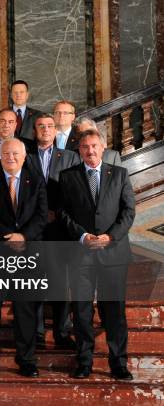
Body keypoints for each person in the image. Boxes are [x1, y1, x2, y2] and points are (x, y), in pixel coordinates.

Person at [58, 129, 135, 381]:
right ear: (78, 150)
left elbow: (128, 212)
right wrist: (83, 236)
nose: (90, 151)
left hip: (112, 254)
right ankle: (84, 361)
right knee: (81, 311)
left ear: (103, 147)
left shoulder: (120, 174)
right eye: (84, 147)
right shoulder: (67, 177)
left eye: (94, 146)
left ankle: (118, 363)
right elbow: (63, 214)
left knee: (114, 311)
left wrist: (110, 236)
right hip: (81, 254)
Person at [0, 138, 48, 378]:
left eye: (16, 154)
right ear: (0, 156)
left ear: (24, 156)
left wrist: (22, 236)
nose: (11, 158)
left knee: (25, 310)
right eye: (6, 154)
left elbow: (41, 216)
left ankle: (26, 360)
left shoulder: (36, 181)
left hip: (27, 254)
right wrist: (7, 236)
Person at [26, 113, 80, 349]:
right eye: (41, 126)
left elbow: (74, 191)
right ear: (34, 130)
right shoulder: (24, 157)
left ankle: (61, 332)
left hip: (60, 229)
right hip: (33, 230)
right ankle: (36, 334)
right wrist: (39, 214)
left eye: (50, 126)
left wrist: (56, 212)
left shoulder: (69, 157)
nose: (46, 130)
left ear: (56, 130)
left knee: (60, 283)